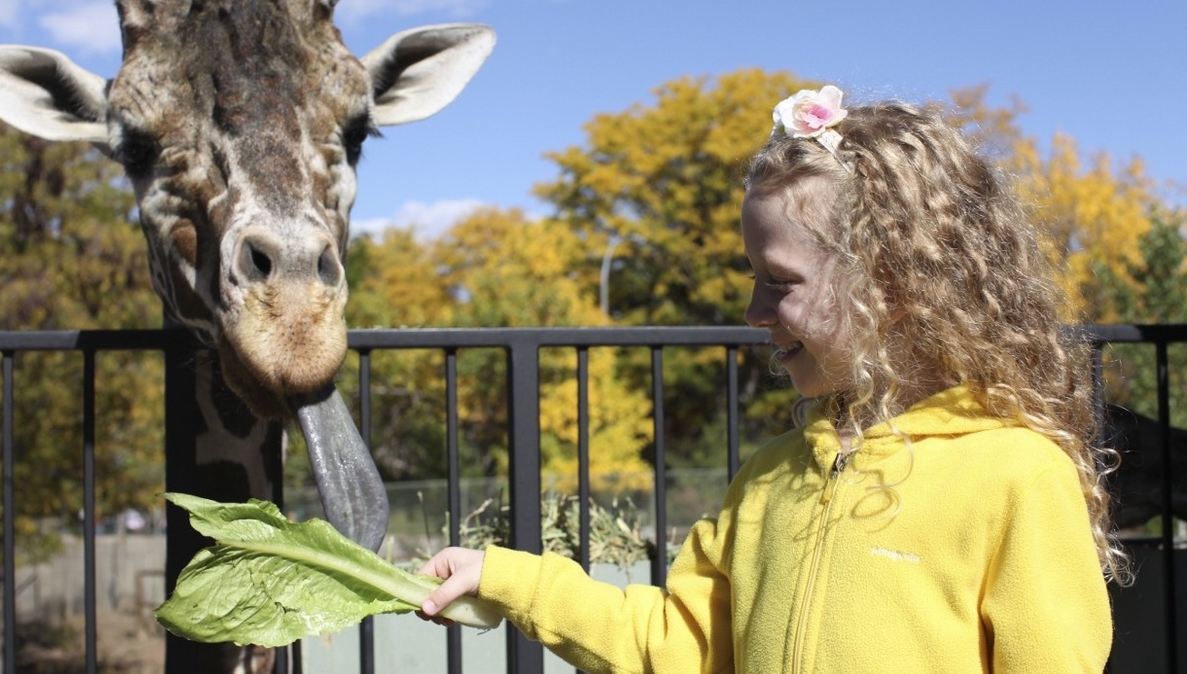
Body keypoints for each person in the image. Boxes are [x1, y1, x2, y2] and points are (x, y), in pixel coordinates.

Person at [418, 86, 1124, 673]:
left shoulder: (1014, 476)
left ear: (896, 283)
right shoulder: (767, 479)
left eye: (779, 283)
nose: (754, 312)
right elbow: (674, 643)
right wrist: (508, 581)